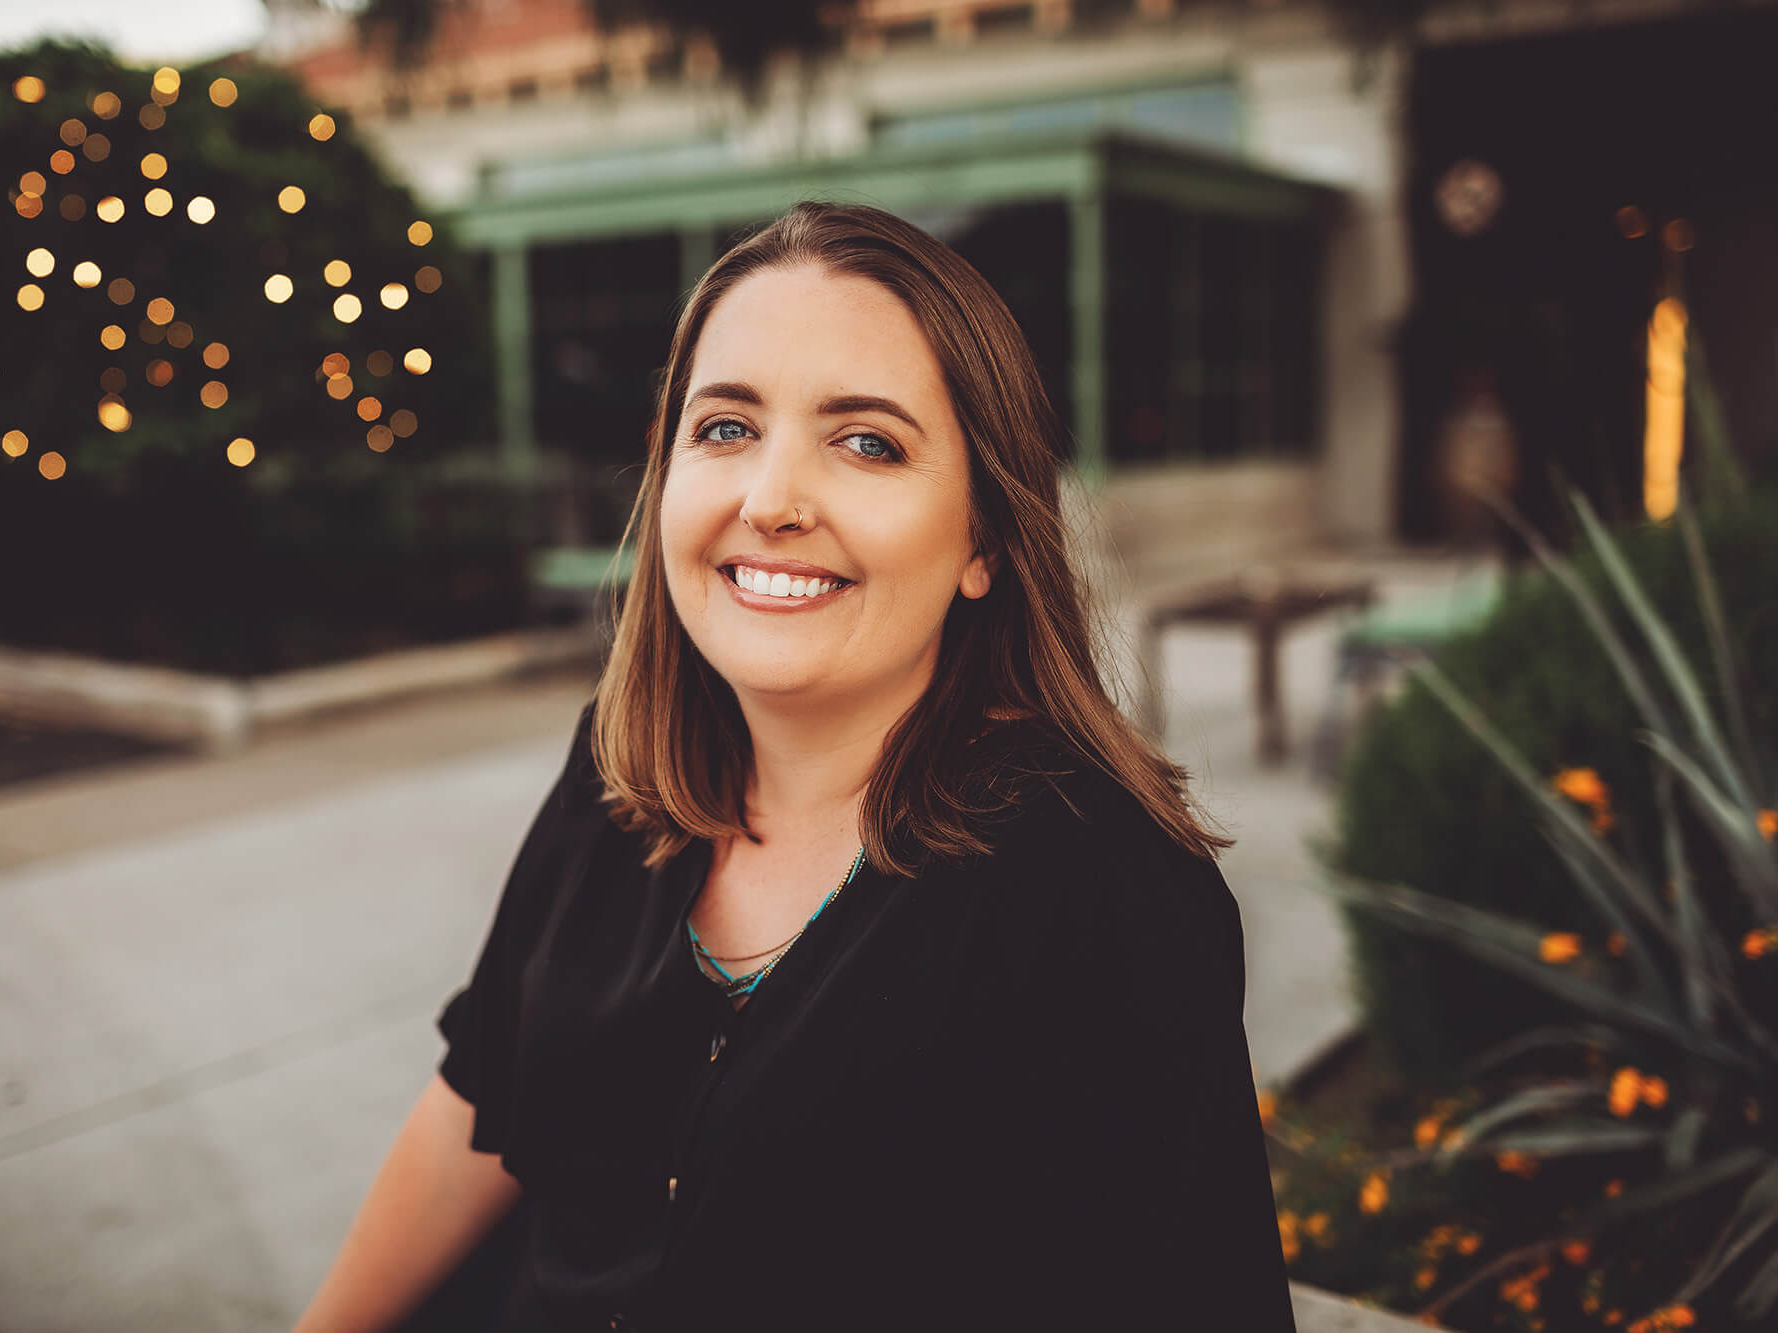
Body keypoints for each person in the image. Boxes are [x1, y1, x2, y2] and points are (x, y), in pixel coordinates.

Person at [296, 202, 1295, 1332]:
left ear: (983, 540)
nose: (769, 501)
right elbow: (477, 1103)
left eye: (866, 442)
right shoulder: (616, 769)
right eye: (724, 429)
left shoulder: (1105, 892)